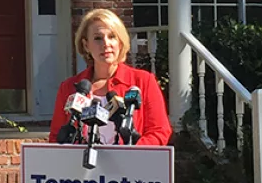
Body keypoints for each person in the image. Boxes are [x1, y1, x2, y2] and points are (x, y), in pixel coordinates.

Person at [48, 8, 171, 146]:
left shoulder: (143, 81)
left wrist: (133, 154)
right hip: (80, 165)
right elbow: (56, 137)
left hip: (130, 164)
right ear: (86, 45)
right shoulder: (69, 87)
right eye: (98, 38)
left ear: (120, 42)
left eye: (112, 36)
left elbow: (159, 131)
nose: (106, 44)